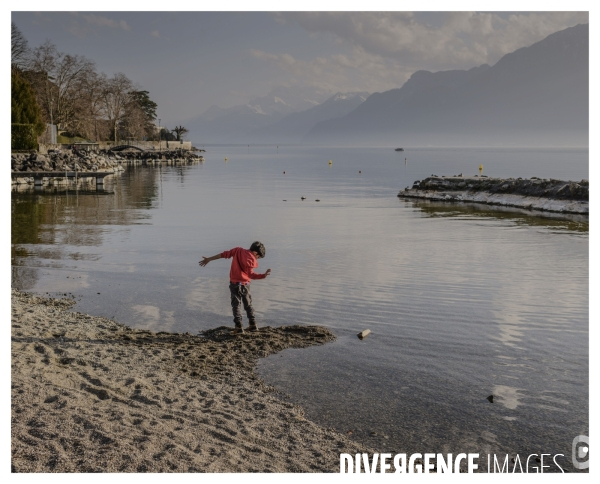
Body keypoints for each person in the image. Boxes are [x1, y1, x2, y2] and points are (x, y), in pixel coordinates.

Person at [199, 241, 271, 334]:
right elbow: (251, 274)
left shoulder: (237, 250)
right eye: (258, 257)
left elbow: (224, 254)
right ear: (255, 253)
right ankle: (253, 325)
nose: (257, 259)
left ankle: (239, 327)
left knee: (236, 305)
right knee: (248, 305)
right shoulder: (250, 259)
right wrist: (263, 276)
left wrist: (209, 259)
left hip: (234, 284)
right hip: (245, 285)